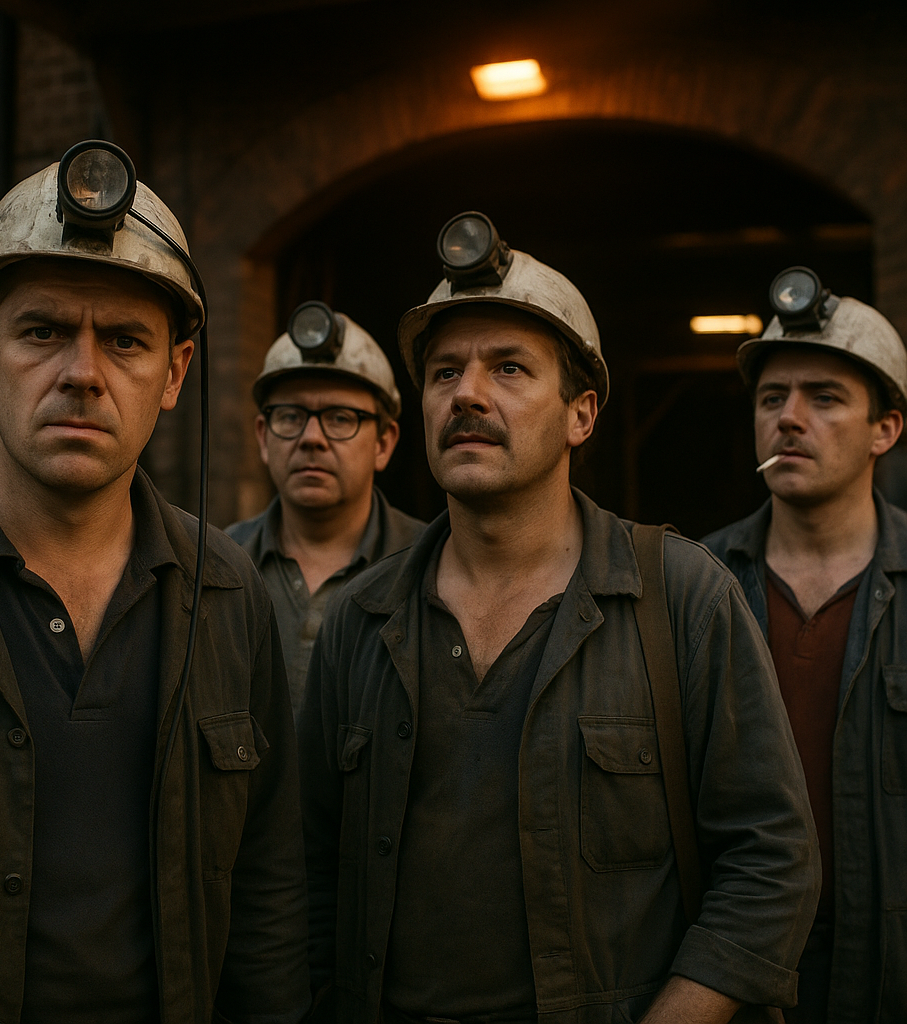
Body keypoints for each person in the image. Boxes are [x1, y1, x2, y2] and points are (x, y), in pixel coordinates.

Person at [299, 213, 821, 1024]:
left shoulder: (681, 599)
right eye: (444, 373)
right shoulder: (360, 622)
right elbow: (307, 875)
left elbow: (773, 861)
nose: (467, 393)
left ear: (581, 415)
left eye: (509, 369)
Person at [0, 142, 309, 1024]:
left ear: (175, 375)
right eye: (42, 331)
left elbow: (267, 896)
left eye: (124, 341)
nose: (83, 373)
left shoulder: (231, 598)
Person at [703, 267, 907, 1023]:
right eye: (771, 399)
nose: (789, 419)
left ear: (885, 428)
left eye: (824, 399)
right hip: (737, 981)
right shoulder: (695, 584)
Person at [227, 302, 424, 716]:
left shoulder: (434, 568)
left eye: (339, 418)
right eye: (291, 415)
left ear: (384, 442)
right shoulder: (217, 566)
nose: (311, 438)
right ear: (263, 437)